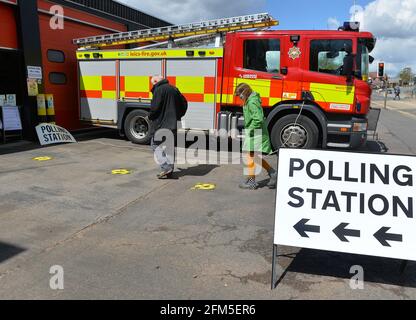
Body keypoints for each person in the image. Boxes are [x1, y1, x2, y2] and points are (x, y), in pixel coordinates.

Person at [234, 83, 277, 190]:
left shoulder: (252, 102)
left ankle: (252, 182)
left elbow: (258, 119)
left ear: (245, 92)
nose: (240, 98)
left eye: (240, 95)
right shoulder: (250, 100)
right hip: (255, 132)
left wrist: (250, 130)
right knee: (252, 156)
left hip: (256, 133)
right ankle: (272, 173)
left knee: (250, 156)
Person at [149, 76, 185, 179]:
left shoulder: (159, 90)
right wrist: (177, 116)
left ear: (156, 81)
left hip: (162, 124)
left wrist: (150, 116)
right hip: (173, 124)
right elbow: (184, 104)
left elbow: (155, 108)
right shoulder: (174, 88)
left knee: (155, 145)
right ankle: (169, 170)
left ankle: (165, 167)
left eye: (153, 83)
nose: (153, 86)